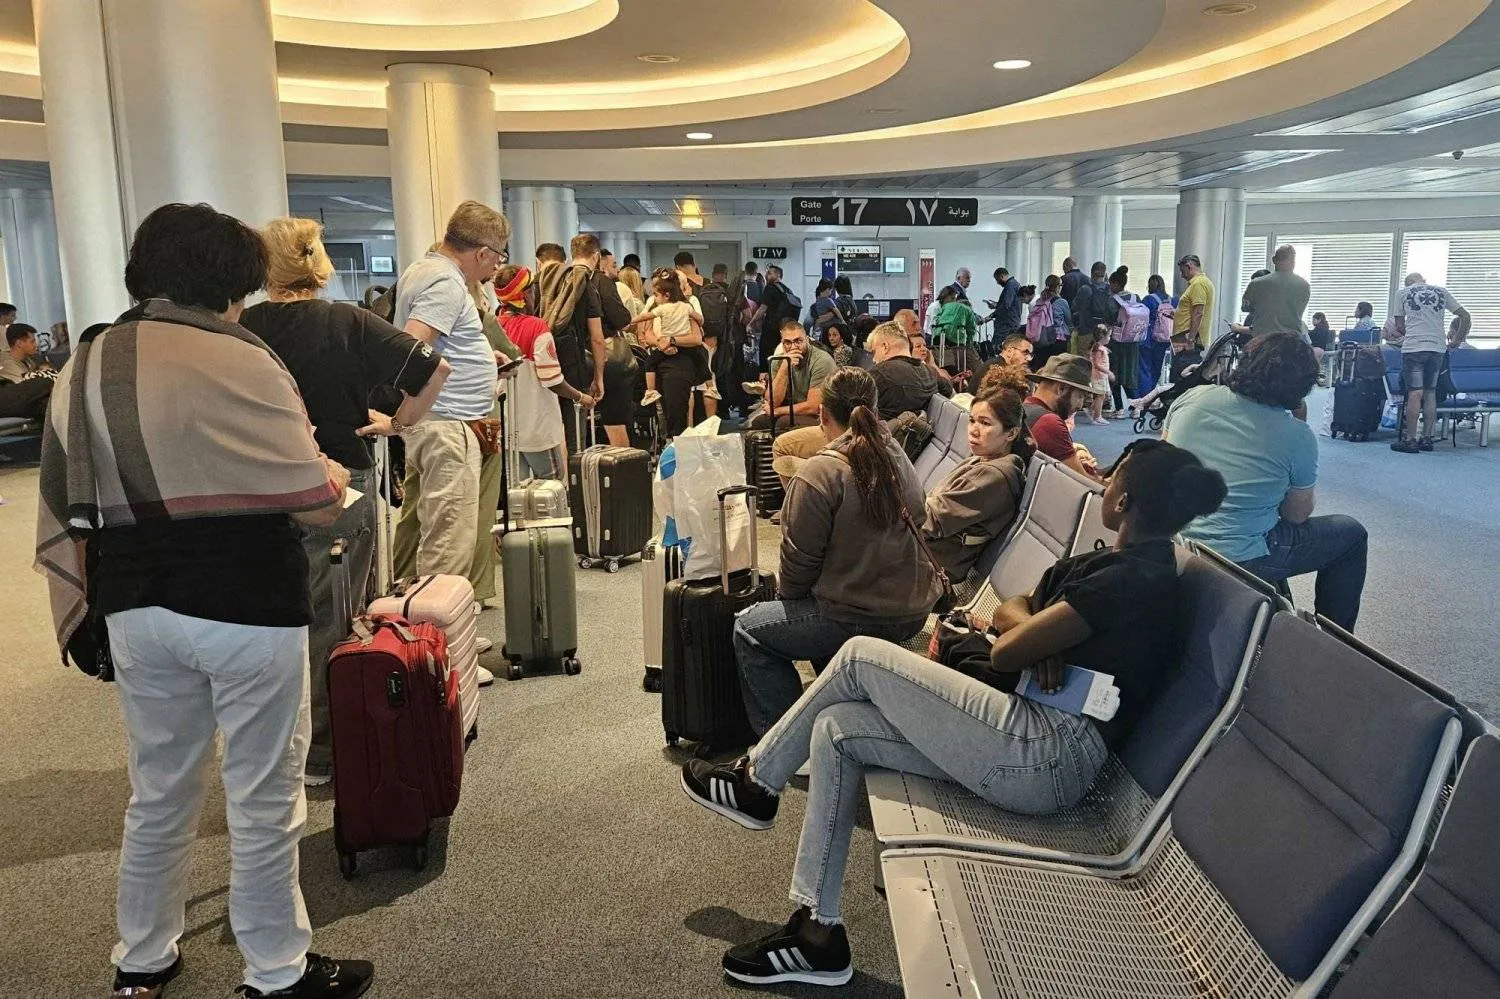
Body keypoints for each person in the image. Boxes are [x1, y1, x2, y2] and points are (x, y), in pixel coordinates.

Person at [680, 440, 1227, 988]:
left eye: (1113, 479)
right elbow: (1017, 607)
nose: (1104, 484)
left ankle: (757, 781)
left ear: (1125, 498)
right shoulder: (1116, 561)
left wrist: (1032, 636)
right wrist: (1038, 634)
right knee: (837, 729)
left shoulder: (1134, 581)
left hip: (1049, 753)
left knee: (858, 657)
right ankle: (817, 931)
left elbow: (1004, 651)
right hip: (1028, 729)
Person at [34, 202, 373, 999]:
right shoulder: (244, 359)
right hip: (245, 600)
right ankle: (276, 970)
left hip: (136, 602)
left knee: (158, 788)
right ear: (234, 282)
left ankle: (141, 957)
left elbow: (63, 495)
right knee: (263, 794)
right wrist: (336, 476)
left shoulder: (90, 360)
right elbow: (313, 496)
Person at [240, 216, 452, 784]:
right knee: (335, 620)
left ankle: (269, 749)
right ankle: (326, 752)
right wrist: (397, 422)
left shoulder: (241, 328)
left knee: (265, 624)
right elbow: (434, 369)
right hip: (339, 485)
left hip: (257, 493)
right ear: (319, 261)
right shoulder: (345, 321)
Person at [733, 368, 943, 737]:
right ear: (876, 412)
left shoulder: (819, 473)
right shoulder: (898, 455)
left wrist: (789, 606)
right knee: (814, 614)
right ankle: (841, 708)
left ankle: (784, 743)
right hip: (911, 609)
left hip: (860, 614)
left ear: (822, 417)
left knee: (750, 628)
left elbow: (798, 564)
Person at [1163, 331, 1367, 630]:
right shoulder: (1298, 436)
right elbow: (1296, 516)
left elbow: (1159, 463)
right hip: (1240, 558)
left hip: (1174, 539)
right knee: (1351, 535)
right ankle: (1336, 641)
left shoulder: (1193, 398)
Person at [391, 201, 508, 580]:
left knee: (441, 530)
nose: (495, 269)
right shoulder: (444, 281)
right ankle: (438, 636)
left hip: (440, 422)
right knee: (448, 541)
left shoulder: (425, 270)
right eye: (497, 259)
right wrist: (445, 374)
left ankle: (434, 631)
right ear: (482, 252)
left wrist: (479, 356)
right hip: (447, 424)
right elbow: (413, 346)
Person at [922, 366, 1033, 578]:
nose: (973, 429)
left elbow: (930, 519)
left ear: (1011, 433)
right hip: (925, 554)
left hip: (931, 568)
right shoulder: (984, 460)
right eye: (972, 420)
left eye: (985, 423)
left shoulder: (994, 476)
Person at [495, 265, 595, 479]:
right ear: (525, 294)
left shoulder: (495, 326)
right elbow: (552, 379)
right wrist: (581, 396)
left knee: (517, 494)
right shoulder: (537, 327)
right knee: (552, 487)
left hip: (507, 430)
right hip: (537, 428)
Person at [1388, 272, 1471, 454]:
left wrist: (1409, 331)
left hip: (1414, 348)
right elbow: (1465, 316)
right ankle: (1427, 439)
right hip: (1437, 348)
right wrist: (1457, 340)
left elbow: (1400, 326)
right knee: (1430, 393)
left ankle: (1410, 440)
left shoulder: (1402, 293)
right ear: (1423, 281)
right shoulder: (1441, 291)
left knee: (1415, 393)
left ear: (1407, 283)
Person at [539, 233, 608, 450]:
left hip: (542, 359)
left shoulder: (539, 282)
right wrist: (599, 378)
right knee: (573, 428)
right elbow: (597, 338)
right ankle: (574, 477)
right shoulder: (585, 285)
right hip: (572, 361)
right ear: (596, 256)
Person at [633, 268, 706, 438]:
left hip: (681, 361)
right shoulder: (654, 304)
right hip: (660, 356)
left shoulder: (685, 306)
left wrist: (672, 340)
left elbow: (696, 338)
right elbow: (646, 332)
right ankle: (667, 440)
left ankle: (679, 442)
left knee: (677, 407)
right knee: (662, 408)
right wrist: (660, 343)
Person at [749, 318, 837, 430]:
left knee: (783, 422)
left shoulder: (821, 360)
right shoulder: (778, 360)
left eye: (798, 341)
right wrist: (784, 368)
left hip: (821, 416)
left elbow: (814, 406)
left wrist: (777, 411)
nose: (793, 346)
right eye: (788, 342)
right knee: (759, 422)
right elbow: (772, 401)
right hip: (795, 410)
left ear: (807, 339)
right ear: (782, 343)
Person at [1025, 353, 1104, 478]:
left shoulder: (1027, 408)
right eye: (1080, 396)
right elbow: (1085, 482)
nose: (1080, 405)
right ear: (1061, 388)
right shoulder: (1049, 423)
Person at [591, 245, 639, 447]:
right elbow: (623, 319)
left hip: (579, 358)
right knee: (616, 417)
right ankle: (622, 468)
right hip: (609, 357)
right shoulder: (605, 284)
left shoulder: (568, 281)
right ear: (598, 260)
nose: (617, 269)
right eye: (614, 264)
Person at [866, 319, 951, 420]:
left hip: (882, 432)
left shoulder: (879, 374)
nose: (873, 359)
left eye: (874, 351)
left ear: (885, 346)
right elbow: (948, 389)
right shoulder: (929, 373)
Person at [1242, 246, 1311, 342]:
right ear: (1293, 262)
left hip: (1263, 341)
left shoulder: (1256, 283)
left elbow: (1246, 307)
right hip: (1292, 341)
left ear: (1274, 260)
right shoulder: (1304, 285)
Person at [1104, 265, 1141, 414]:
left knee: (1114, 374)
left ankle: (1119, 408)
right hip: (1133, 341)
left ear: (1115, 284)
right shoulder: (1135, 297)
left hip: (1116, 341)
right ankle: (1136, 406)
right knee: (1130, 374)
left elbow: (1108, 322)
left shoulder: (1112, 301)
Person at [752, 264, 799, 372]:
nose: (766, 275)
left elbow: (763, 309)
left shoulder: (770, 288)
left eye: (769, 273)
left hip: (770, 330)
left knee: (767, 358)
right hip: (784, 330)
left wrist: (751, 322)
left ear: (778, 275)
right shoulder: (788, 290)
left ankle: (766, 382)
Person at [931, 285, 982, 381]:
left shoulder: (940, 306)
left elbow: (934, 321)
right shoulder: (966, 309)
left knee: (944, 366)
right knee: (965, 365)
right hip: (956, 341)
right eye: (953, 297)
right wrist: (969, 344)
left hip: (937, 339)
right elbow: (971, 329)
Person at [1138, 273, 1175, 396]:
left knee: (1144, 368)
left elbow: (1141, 317)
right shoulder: (1172, 300)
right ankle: (1152, 395)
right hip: (1164, 339)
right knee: (1156, 368)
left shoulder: (1148, 299)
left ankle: (1145, 396)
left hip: (1148, 338)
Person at [1069, 261, 1112, 357]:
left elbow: (1074, 307)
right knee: (1101, 361)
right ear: (1105, 274)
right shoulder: (1110, 290)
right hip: (1105, 333)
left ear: (1091, 273)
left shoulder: (1085, 289)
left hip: (1087, 331)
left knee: (1085, 362)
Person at [969, 333, 1034, 396]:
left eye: (1030, 355)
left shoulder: (994, 363)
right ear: (1009, 351)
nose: (1028, 359)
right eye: (1025, 352)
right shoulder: (996, 369)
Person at [1175, 254, 1216, 347]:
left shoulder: (1198, 284)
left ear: (1189, 266)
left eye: (1182, 271)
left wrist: (1190, 339)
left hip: (1188, 340)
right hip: (1186, 338)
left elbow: (1198, 312)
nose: (1181, 275)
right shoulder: (1202, 282)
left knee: (1185, 361)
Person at [984, 267, 1023, 343]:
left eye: (997, 280)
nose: (998, 282)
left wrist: (991, 316)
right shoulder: (1014, 284)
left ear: (1002, 276)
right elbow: (1009, 304)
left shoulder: (1010, 285)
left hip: (1007, 326)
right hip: (1011, 323)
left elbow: (1006, 306)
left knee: (997, 348)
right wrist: (996, 305)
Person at [1087, 325, 1113, 426]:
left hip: (1101, 376)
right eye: (1109, 336)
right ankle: (1097, 416)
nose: (1110, 338)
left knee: (1101, 396)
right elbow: (1096, 364)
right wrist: (1108, 372)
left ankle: (1094, 411)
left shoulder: (1100, 348)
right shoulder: (1099, 349)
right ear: (1103, 337)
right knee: (1100, 396)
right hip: (1099, 376)